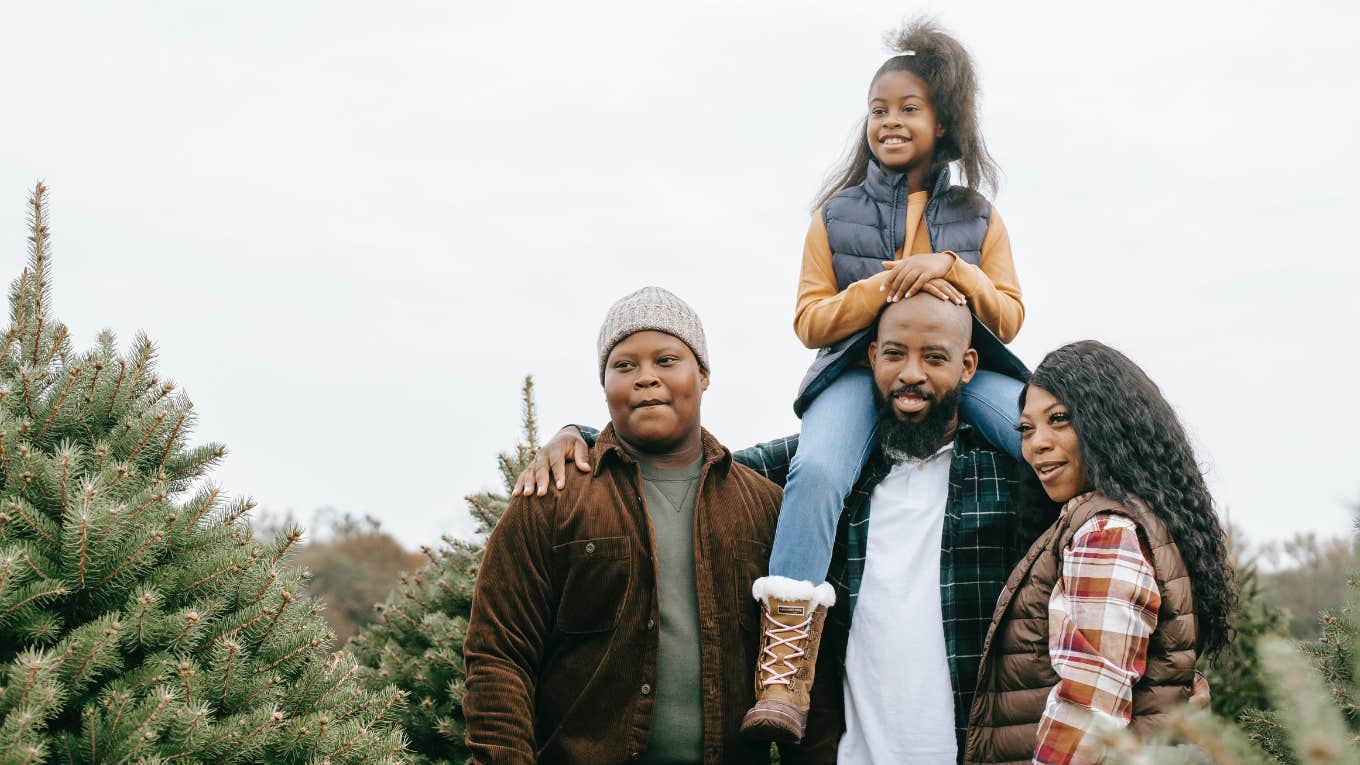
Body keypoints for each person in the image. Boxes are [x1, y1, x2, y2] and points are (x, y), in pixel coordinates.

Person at [522, 293, 1035, 763]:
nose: (911, 375)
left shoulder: (1005, 476)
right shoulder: (827, 471)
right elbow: (698, 467)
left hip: (972, 750)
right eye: (895, 354)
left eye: (935, 359)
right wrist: (582, 436)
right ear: (871, 358)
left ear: (969, 366)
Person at [746, 18, 1029, 739]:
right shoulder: (834, 215)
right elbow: (810, 321)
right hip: (854, 367)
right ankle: (784, 669)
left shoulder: (977, 216)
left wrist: (952, 269)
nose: (891, 122)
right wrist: (880, 290)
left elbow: (1011, 315)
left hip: (961, 372)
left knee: (1044, 433)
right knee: (816, 469)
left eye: (909, 109)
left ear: (945, 122)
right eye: (879, 110)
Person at [462, 287, 833, 765]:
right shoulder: (552, 499)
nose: (646, 378)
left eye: (666, 360)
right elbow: (498, 655)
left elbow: (810, 678)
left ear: (702, 376)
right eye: (625, 366)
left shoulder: (764, 508)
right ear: (605, 385)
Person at [963, 341, 1237, 765]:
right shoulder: (1136, 518)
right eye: (1027, 429)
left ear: (1106, 424)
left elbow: (1088, 713)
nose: (1037, 443)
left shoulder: (1105, 534)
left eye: (1059, 421)